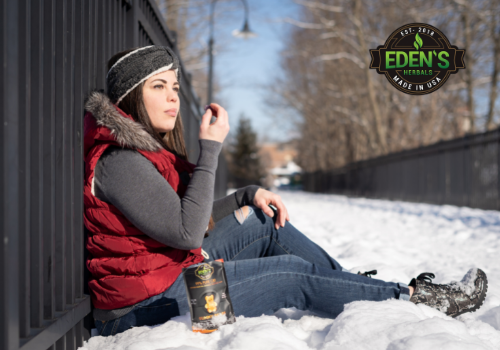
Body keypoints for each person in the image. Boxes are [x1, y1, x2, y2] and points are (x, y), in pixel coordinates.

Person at [83, 46, 488, 337]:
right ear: (130, 97)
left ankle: (352, 288)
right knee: (290, 276)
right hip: (146, 309)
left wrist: (245, 196)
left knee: (264, 221)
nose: (172, 96)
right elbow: (188, 232)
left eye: (173, 85)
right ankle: (415, 299)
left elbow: (185, 220)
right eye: (158, 87)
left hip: (169, 278)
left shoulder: (142, 152)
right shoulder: (120, 161)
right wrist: (210, 151)